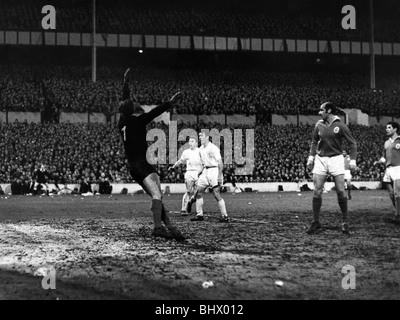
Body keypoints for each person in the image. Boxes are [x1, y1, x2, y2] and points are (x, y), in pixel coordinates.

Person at [118, 68, 185, 241]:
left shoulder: (122, 123)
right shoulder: (137, 121)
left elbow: (124, 100)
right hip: (142, 165)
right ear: (132, 109)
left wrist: (125, 83)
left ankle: (169, 226)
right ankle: (157, 228)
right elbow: (154, 113)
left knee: (157, 196)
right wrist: (170, 103)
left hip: (134, 167)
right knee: (157, 195)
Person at [306, 102, 357, 234]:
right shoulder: (319, 124)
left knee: (340, 190)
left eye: (321, 110)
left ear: (328, 111)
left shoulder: (341, 125)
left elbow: (352, 144)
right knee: (317, 191)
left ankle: (345, 222)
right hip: (321, 159)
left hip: (336, 159)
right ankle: (316, 222)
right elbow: (314, 142)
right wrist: (311, 158)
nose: (319, 112)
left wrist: (353, 160)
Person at [189, 131, 230, 223]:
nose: (200, 138)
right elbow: (201, 163)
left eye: (201, 136)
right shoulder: (200, 149)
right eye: (199, 136)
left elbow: (220, 163)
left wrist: (219, 176)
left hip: (214, 171)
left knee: (216, 194)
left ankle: (225, 216)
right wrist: (199, 172)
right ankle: (199, 215)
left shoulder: (213, 148)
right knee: (198, 192)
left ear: (207, 137)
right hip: (205, 171)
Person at [373, 122, 400, 224]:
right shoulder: (386, 142)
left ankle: (398, 215)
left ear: (395, 129)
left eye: (389, 127)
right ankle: (398, 210)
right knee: (392, 194)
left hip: (398, 168)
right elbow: (384, 157)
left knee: (398, 194)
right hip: (388, 170)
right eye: (386, 127)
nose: (386, 129)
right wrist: (378, 161)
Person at [168, 137, 202, 216]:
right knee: (188, 191)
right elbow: (180, 160)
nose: (190, 143)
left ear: (196, 143)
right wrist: (173, 166)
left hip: (198, 173)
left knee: (198, 193)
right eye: (189, 141)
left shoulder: (200, 151)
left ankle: (191, 201)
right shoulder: (186, 152)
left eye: (192, 141)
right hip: (189, 172)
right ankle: (183, 209)